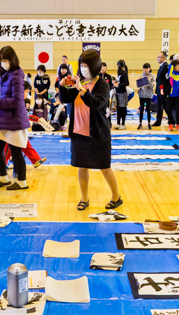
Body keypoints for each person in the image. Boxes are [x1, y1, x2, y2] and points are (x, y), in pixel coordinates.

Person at [61, 49, 121, 211]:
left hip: (98, 133)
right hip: (79, 132)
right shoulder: (79, 81)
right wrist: (63, 87)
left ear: (95, 66)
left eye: (86, 65)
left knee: (104, 166)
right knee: (82, 166)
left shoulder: (102, 85)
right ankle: (84, 198)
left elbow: (96, 103)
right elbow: (65, 99)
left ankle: (116, 197)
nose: (83, 68)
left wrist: (82, 90)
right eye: (81, 65)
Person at [0, 47, 29, 190]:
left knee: (16, 151)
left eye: (6, 60)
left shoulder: (16, 76)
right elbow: (7, 97)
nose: (4, 63)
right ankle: (2, 176)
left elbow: (16, 101)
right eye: (1, 60)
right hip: (5, 118)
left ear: (12, 60)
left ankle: (22, 181)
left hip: (14, 119)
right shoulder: (7, 75)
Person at [166, 55, 179, 131]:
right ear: (174, 67)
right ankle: (171, 123)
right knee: (169, 109)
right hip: (171, 94)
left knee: (178, 110)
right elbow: (170, 66)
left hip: (178, 94)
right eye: (177, 66)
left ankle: (178, 124)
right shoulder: (171, 73)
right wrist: (173, 62)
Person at [152, 52, 170, 129]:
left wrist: (165, 90)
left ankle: (172, 120)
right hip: (160, 90)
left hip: (163, 90)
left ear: (163, 58)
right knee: (160, 106)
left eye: (159, 57)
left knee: (165, 106)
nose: (157, 58)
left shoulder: (166, 67)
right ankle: (158, 121)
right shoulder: (161, 66)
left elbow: (167, 79)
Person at [136, 63, 155, 130]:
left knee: (148, 110)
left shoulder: (152, 76)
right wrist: (139, 81)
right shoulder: (141, 75)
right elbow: (138, 86)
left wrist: (148, 81)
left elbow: (152, 86)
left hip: (149, 95)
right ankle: (140, 123)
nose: (145, 70)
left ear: (149, 69)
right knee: (141, 109)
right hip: (141, 95)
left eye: (147, 68)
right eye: (144, 68)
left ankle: (149, 123)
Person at [114, 60, 130, 130]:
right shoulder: (119, 74)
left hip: (122, 93)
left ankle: (123, 123)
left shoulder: (124, 73)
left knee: (122, 109)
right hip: (118, 92)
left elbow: (127, 83)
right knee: (118, 109)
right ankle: (118, 123)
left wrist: (119, 84)